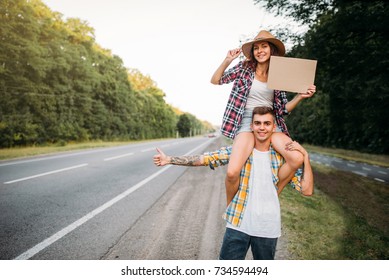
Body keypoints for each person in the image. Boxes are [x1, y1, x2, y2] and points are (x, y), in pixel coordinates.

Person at [153, 106, 313, 260]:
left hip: (267, 227)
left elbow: (306, 190)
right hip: (238, 223)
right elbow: (205, 159)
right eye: (258, 123)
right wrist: (169, 159)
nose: (262, 128)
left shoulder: (281, 159)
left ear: (274, 127)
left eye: (267, 123)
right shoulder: (240, 152)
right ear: (251, 126)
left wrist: (305, 156)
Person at [210, 30, 316, 206]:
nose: (260, 51)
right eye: (256, 48)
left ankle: (271, 197)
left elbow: (282, 110)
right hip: (246, 120)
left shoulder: (279, 74)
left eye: (264, 46)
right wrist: (228, 60)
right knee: (232, 173)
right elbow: (216, 80)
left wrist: (300, 96)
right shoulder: (244, 68)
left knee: (296, 158)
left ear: (271, 49)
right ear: (252, 52)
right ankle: (231, 209)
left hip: (270, 123)